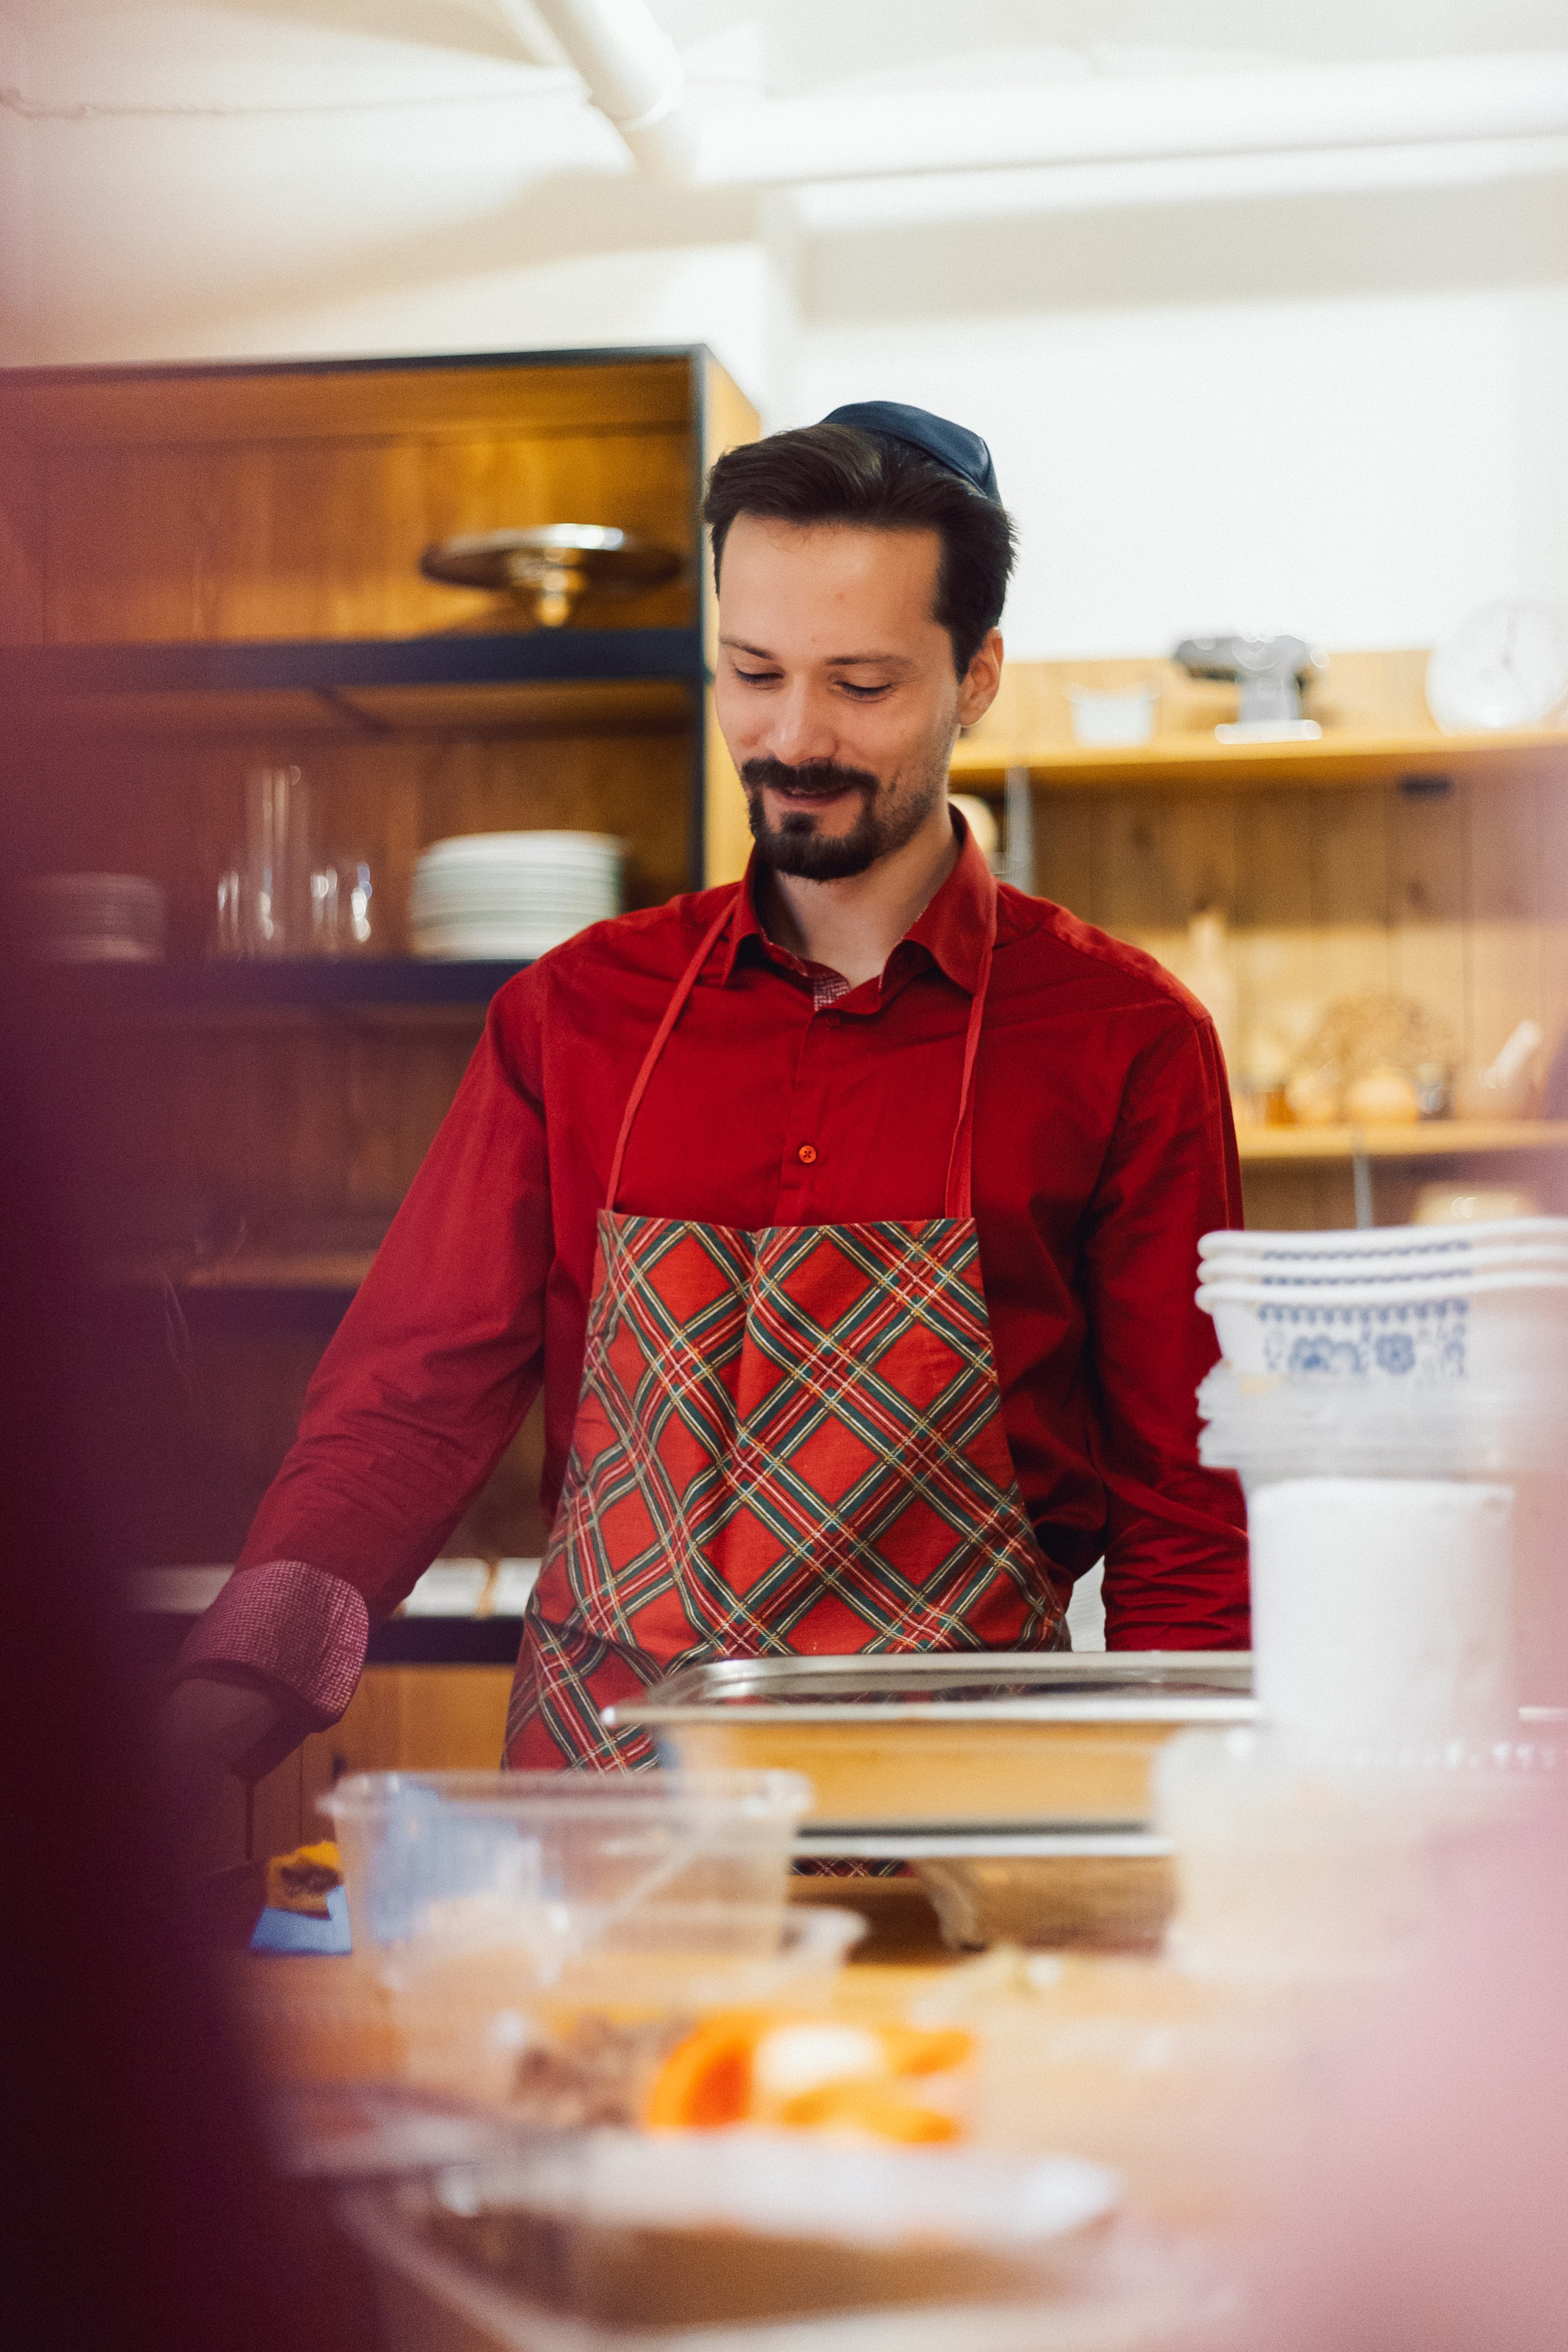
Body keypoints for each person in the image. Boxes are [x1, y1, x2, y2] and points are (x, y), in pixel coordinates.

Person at [161, 400, 1248, 1806]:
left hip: (958, 1816)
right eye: (752, 673)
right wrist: (226, 1703)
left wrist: (1187, 1841)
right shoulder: (571, 1017)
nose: (793, 737)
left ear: (976, 676)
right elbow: (402, 1414)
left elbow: (1184, 1519)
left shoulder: (1124, 1042)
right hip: (606, 1808)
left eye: (861, 685)